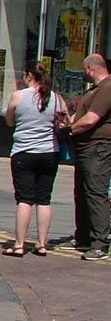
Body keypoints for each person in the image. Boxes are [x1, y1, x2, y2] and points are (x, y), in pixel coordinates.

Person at [3, 61, 64, 257]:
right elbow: (66, 121)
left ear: (29, 75)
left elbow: (10, 121)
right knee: (44, 199)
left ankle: (20, 244)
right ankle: (42, 244)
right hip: (49, 153)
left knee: (25, 200)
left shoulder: (18, 96)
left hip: (24, 153)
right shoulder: (55, 98)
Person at [67, 53, 111, 260]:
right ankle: (83, 237)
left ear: (90, 69)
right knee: (82, 193)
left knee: (95, 193)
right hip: (85, 148)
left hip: (98, 148)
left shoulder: (107, 88)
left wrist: (69, 130)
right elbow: (80, 117)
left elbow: (91, 120)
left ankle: (100, 243)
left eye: (85, 70)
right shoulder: (93, 90)